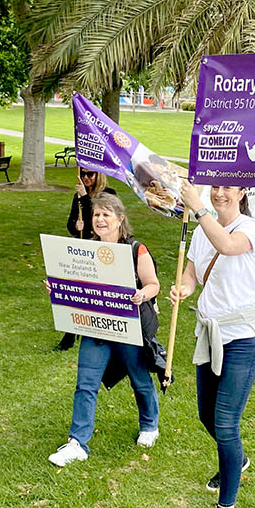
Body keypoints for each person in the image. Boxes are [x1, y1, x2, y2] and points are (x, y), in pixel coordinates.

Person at [172, 183, 255, 508]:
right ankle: (236, 460)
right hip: (209, 334)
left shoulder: (248, 229)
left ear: (242, 192)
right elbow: (193, 273)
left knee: (226, 423)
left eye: (228, 188)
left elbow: (226, 247)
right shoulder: (202, 229)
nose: (219, 193)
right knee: (205, 415)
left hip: (241, 337)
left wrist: (198, 207)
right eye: (215, 187)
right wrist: (184, 287)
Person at [48, 193, 162, 467]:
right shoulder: (86, 249)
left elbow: (153, 284)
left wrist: (142, 295)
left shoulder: (136, 249)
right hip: (95, 328)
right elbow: (77, 285)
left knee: (139, 379)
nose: (99, 220)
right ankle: (77, 442)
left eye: (106, 215)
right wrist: (59, 289)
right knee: (85, 384)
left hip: (127, 328)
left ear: (120, 219)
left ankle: (149, 425)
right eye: (96, 215)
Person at [56, 169, 116, 352]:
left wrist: (84, 198)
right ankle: (70, 335)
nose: (86, 178)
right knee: (79, 289)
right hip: (83, 249)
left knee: (98, 291)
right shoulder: (79, 195)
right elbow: (71, 223)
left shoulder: (108, 195)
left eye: (90, 174)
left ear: (99, 175)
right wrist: (76, 225)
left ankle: (99, 330)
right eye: (83, 175)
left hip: (101, 249)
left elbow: (103, 220)